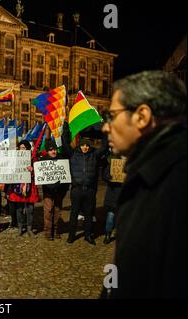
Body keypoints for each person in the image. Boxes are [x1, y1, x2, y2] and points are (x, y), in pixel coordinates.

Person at [101, 70, 186, 298]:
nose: (105, 127)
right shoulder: (150, 171)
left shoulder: (171, 182)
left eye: (111, 116)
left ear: (142, 116)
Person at [65, 134, 108, 245]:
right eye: (83, 145)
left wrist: (104, 132)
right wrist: (65, 127)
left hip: (90, 190)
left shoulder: (94, 155)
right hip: (77, 190)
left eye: (87, 146)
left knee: (89, 214)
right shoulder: (73, 154)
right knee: (74, 213)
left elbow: (104, 147)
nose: (85, 147)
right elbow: (65, 143)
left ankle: (88, 235)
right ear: (80, 146)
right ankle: (71, 236)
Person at [6, 140, 38, 237]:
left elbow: (39, 172)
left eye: (24, 148)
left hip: (29, 187)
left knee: (30, 209)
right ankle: (20, 228)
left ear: (28, 148)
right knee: (19, 209)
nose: (22, 150)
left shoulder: (33, 158)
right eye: (20, 148)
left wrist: (33, 170)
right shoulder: (14, 159)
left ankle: (29, 228)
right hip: (17, 187)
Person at [40, 140, 69, 240]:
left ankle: (56, 231)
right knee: (48, 211)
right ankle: (48, 232)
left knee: (57, 211)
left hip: (59, 191)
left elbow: (65, 175)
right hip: (48, 191)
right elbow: (39, 174)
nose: (53, 152)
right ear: (47, 151)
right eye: (51, 150)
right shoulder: (42, 161)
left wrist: (64, 187)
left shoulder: (61, 160)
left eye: (55, 149)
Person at [101, 150, 124, 244]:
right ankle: (108, 235)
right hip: (113, 194)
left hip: (124, 195)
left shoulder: (131, 164)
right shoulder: (113, 163)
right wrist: (109, 177)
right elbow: (105, 175)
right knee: (110, 217)